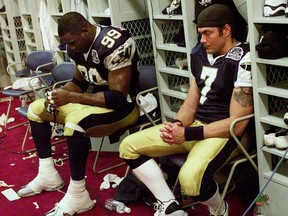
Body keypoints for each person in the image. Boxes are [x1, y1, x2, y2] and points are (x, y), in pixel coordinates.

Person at [119, 4, 253, 216]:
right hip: (196, 126)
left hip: (225, 133)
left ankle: (220, 209)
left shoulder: (243, 58)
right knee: (128, 146)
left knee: (190, 182)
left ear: (226, 30)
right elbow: (191, 103)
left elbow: (237, 125)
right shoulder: (199, 53)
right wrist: (178, 124)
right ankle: (169, 205)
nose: (202, 40)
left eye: (208, 33)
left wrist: (187, 133)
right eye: (200, 34)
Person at [17, 12, 140, 215]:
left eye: (72, 43)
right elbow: (79, 83)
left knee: (75, 123)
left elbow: (118, 98)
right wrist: (60, 94)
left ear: (85, 32)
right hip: (96, 103)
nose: (70, 48)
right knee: (37, 109)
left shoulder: (115, 43)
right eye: (67, 44)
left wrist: (72, 98)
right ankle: (47, 174)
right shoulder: (77, 46)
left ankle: (78, 195)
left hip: (124, 108)